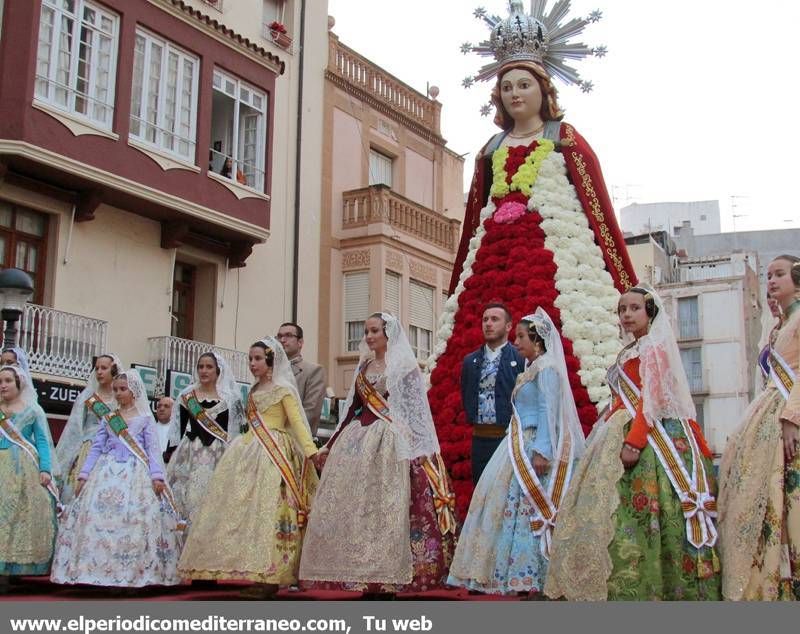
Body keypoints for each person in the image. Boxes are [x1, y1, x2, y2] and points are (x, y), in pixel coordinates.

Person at [425, 2, 636, 516]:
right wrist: (459, 285)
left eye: (524, 84)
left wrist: (622, 281)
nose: (515, 94)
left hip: (559, 266)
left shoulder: (565, 141)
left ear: (544, 89)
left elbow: (597, 209)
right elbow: (474, 215)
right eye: (507, 86)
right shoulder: (490, 149)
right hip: (491, 266)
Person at [545, 286, 720, 601]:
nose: (626, 314)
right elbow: (621, 399)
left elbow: (650, 401)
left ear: (649, 312)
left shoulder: (655, 348)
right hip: (619, 430)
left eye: (634, 308)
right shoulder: (629, 351)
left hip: (651, 438)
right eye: (622, 309)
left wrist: (635, 442)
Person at [300, 313, 456, 597]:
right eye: (367, 332)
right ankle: (362, 573)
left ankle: (390, 576)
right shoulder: (364, 366)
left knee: (390, 509)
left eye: (374, 331)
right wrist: (330, 444)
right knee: (360, 509)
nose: (369, 336)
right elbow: (350, 412)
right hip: (360, 441)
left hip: (392, 445)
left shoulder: (405, 367)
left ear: (388, 334)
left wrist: (419, 448)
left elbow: (416, 412)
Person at [449, 308, 585, 597]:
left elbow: (549, 410)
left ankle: (535, 573)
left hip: (534, 442)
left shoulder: (547, 369)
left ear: (537, 340)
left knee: (529, 511)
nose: (517, 341)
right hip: (517, 441)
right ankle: (513, 572)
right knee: (511, 511)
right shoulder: (533, 368)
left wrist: (542, 451)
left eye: (522, 337)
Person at [177, 338, 320, 599]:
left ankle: (272, 575)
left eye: (257, 359)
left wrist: (311, 452)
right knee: (248, 514)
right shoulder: (252, 391)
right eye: (250, 359)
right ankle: (255, 570)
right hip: (248, 450)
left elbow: (298, 423)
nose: (253, 364)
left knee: (270, 512)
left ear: (270, 361)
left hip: (275, 454)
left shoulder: (283, 390)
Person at [51, 369, 182, 589]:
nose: (119, 393)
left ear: (134, 392)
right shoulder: (109, 418)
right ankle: (93, 571)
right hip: (105, 471)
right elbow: (96, 447)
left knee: (134, 521)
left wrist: (157, 476)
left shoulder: (144, 419)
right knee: (95, 518)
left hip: (136, 475)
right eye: (116, 390)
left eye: (123, 389)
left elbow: (152, 450)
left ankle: (131, 574)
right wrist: (84, 475)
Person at [718, 255, 800, 600]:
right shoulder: (778, 327)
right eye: (767, 275)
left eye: (779, 274)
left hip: (787, 417)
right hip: (765, 418)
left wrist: (792, 418)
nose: (770, 281)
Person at [166, 353, 244, 526]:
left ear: (218, 371)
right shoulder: (187, 396)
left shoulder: (231, 399)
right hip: (190, 453)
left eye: (209, 367)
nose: (204, 370)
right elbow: (177, 429)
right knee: (189, 499)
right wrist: (173, 455)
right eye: (200, 366)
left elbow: (236, 433)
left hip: (220, 454)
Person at [0, 364, 58, 592]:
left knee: (18, 517)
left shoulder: (33, 410)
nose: (3, 386)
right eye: (0, 382)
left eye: (7, 381)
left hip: (23, 467)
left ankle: (14, 568)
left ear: (18, 384)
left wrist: (45, 469)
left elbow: (43, 441)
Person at [461, 303, 524, 483]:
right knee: (480, 491)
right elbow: (466, 395)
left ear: (508, 326)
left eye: (495, 319)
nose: (488, 324)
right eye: (485, 319)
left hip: (508, 440)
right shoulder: (470, 361)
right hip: (479, 439)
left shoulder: (519, 359)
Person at [55, 354, 123, 503]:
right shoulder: (87, 396)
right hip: (88, 447)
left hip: (113, 449)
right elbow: (75, 427)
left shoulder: (120, 396)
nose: (99, 371)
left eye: (104, 368)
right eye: (97, 368)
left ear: (114, 370)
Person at [277, 322, 327, 438]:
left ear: (300, 342)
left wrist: (281, 433)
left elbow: (310, 412)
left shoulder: (314, 370)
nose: (282, 340)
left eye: (288, 335)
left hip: (296, 440)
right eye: (279, 336)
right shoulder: (270, 370)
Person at [154, 396, 175, 463]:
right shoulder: (150, 429)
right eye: (159, 406)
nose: (161, 409)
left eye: (166, 406)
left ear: (174, 410)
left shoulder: (179, 431)